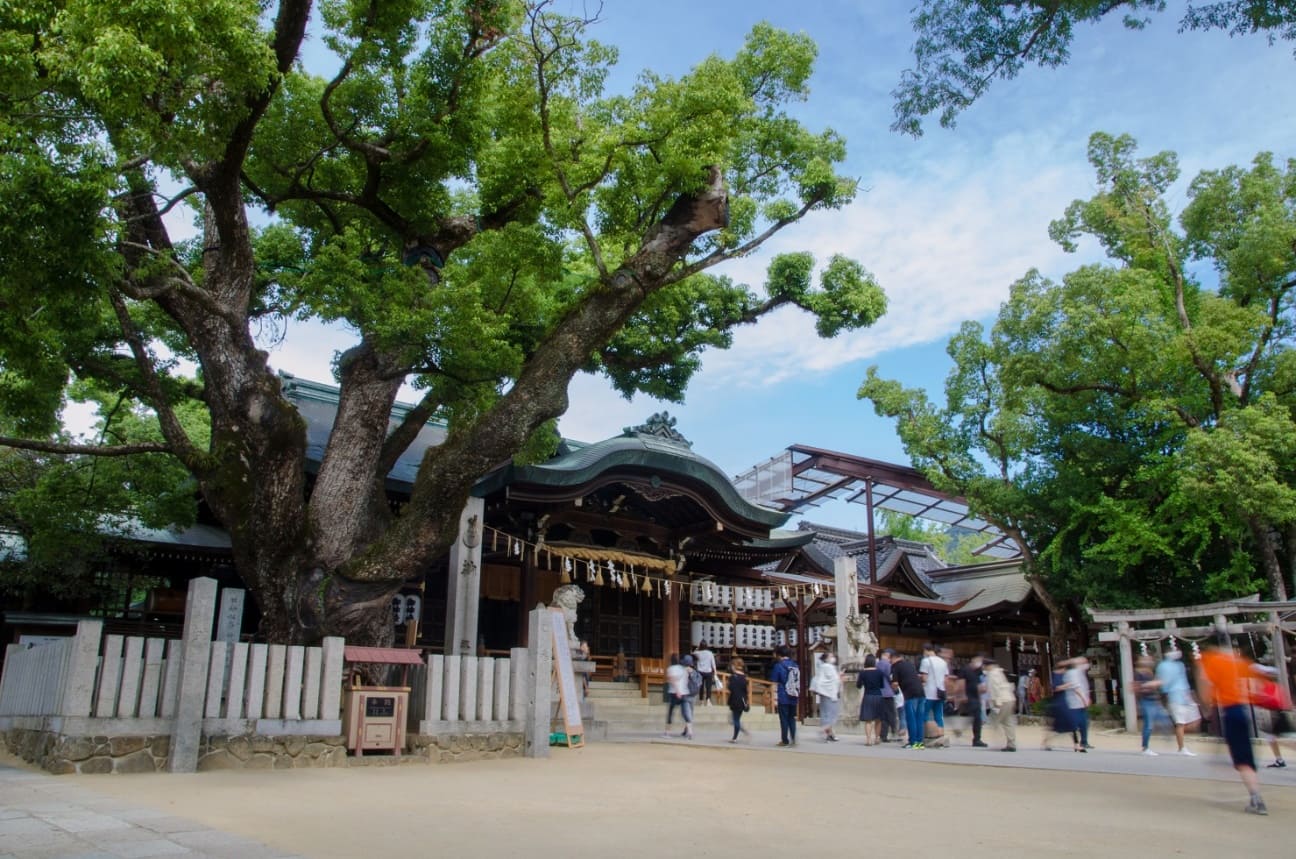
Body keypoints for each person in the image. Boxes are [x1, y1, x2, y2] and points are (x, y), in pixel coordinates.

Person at [1197, 635, 1267, 815]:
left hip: (1229, 711)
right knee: (1246, 756)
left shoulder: (1212, 660)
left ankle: (1256, 798)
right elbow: (1256, 687)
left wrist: (1206, 705)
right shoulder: (1240, 662)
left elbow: (1205, 684)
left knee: (1241, 760)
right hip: (1244, 710)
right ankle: (1254, 794)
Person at [1154, 649, 1199, 756]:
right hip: (1174, 696)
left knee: (1196, 721)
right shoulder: (1163, 666)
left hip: (1185, 695)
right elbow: (1163, 682)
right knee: (1180, 723)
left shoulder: (1180, 665)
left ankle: (1172, 731)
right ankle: (1181, 747)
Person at [1134, 654, 1168, 756]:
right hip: (1146, 700)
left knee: (1164, 720)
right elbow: (1136, 688)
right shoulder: (1138, 673)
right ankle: (1145, 747)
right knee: (1148, 725)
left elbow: (1154, 687)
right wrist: (1148, 685)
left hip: (1154, 700)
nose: (1148, 662)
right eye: (1146, 660)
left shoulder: (1150, 672)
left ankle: (1164, 737)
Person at [891, 651, 925, 749]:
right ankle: (920, 742)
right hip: (921, 693)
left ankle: (912, 742)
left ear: (893, 658)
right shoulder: (909, 664)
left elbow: (895, 683)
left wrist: (893, 689)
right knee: (919, 718)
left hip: (910, 694)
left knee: (911, 718)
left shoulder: (895, 667)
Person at [983, 656, 1017, 751]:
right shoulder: (1000, 672)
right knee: (1008, 722)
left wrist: (997, 703)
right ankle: (1011, 744)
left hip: (1002, 701)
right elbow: (1009, 686)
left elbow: (995, 689)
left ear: (987, 666)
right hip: (1009, 698)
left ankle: (998, 742)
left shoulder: (992, 674)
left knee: (994, 721)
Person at [918, 642, 948, 747]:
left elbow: (924, 678)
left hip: (928, 692)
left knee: (924, 714)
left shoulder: (926, 661)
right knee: (939, 715)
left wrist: (919, 679)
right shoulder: (943, 662)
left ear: (926, 650)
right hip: (940, 692)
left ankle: (928, 734)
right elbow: (946, 678)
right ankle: (940, 736)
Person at [770, 644, 800, 747]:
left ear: (779, 654)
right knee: (792, 717)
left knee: (784, 718)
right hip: (794, 695)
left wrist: (774, 697)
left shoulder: (778, 665)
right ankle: (794, 738)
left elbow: (774, 681)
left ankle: (784, 740)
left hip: (783, 694)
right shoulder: (795, 665)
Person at [1062, 656, 1092, 752]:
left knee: (1084, 722)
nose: (1086, 665)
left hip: (1080, 702)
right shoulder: (1072, 673)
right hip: (1074, 702)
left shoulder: (1080, 673)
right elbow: (1076, 687)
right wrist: (1084, 698)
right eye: (1083, 663)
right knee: (1076, 723)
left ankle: (1083, 741)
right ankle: (1078, 743)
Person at [856, 653, 887, 745]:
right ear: (874, 662)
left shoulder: (863, 673)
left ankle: (868, 739)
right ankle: (877, 738)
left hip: (868, 696)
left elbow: (858, 686)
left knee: (868, 720)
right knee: (878, 719)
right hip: (878, 696)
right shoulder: (880, 672)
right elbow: (882, 685)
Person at [662, 653, 695, 740]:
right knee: (686, 712)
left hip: (674, 693)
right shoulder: (684, 669)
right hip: (684, 692)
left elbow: (672, 680)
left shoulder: (671, 669)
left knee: (670, 712)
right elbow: (687, 680)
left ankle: (667, 732)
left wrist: (677, 690)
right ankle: (690, 732)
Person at [812, 651, 842, 741]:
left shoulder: (823, 667)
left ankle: (829, 733)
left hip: (825, 692)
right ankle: (824, 731)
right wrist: (840, 677)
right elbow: (834, 680)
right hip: (829, 693)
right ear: (826, 658)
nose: (833, 658)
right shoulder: (828, 667)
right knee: (831, 714)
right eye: (831, 656)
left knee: (826, 714)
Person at [958, 654, 987, 747]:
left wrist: (982, 692)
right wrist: (962, 695)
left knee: (976, 718)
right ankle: (961, 729)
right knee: (972, 717)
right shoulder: (965, 670)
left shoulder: (978, 672)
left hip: (976, 697)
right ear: (973, 660)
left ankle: (977, 739)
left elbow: (979, 684)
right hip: (968, 696)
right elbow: (961, 682)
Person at [727, 657, 751, 743]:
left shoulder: (733, 677)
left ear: (734, 666)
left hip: (734, 700)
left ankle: (743, 731)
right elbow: (746, 690)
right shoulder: (745, 678)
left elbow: (730, 688)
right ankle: (734, 738)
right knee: (736, 718)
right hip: (742, 700)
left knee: (734, 720)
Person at [876, 648, 898, 742]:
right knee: (891, 714)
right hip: (887, 692)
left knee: (882, 716)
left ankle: (883, 735)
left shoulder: (876, 664)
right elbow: (891, 677)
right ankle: (894, 731)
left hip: (878, 692)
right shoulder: (888, 665)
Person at [693, 640, 717, 706]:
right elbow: (713, 663)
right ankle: (708, 701)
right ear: (706, 646)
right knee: (708, 687)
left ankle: (701, 701)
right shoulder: (710, 653)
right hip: (708, 672)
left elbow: (693, 652)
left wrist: (698, 648)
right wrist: (715, 671)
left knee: (701, 687)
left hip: (700, 672)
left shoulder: (698, 653)